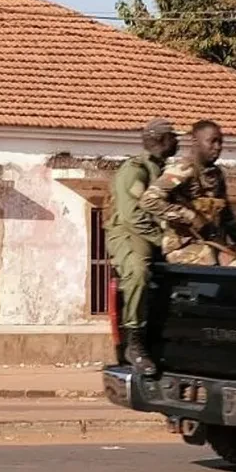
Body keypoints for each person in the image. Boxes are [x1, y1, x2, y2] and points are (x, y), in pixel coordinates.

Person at [105, 118, 180, 377]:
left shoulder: (166, 171)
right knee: (138, 271)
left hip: (157, 233)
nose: (177, 141)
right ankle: (134, 341)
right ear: (160, 140)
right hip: (128, 232)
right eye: (173, 136)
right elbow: (131, 216)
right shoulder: (135, 170)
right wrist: (162, 241)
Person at [139, 120, 236, 269]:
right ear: (195, 141)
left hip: (214, 243)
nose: (217, 148)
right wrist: (189, 216)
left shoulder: (216, 175)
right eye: (212, 142)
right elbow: (149, 200)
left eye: (220, 142)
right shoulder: (183, 170)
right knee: (224, 265)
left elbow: (226, 216)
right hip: (184, 246)